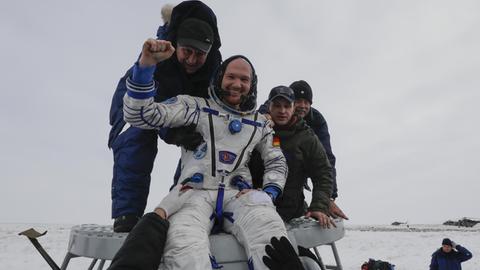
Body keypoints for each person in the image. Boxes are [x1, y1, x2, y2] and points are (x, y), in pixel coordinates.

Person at [122, 37, 289, 269]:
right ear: (220, 78)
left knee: (269, 231)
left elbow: (277, 161)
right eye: (231, 77)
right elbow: (140, 115)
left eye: (244, 79)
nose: (237, 84)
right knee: (184, 248)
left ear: (252, 84)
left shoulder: (261, 124)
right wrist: (146, 66)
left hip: (239, 195)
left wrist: (269, 193)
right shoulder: (195, 107)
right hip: (193, 194)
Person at [108, 0, 222, 232]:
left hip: (182, 108)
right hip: (138, 101)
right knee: (137, 137)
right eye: (186, 51)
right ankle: (127, 214)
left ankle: (180, 208)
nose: (192, 60)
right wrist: (173, 132)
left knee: (203, 144)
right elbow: (150, 110)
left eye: (199, 54)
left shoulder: (214, 68)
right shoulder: (159, 54)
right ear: (176, 44)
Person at [251, 86, 334, 228]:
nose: (282, 111)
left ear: (293, 107)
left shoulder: (307, 137)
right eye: (277, 106)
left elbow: (323, 172)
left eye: (287, 106)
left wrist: (319, 206)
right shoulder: (254, 130)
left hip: (292, 214)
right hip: (254, 212)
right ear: (268, 107)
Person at [289, 80, 348, 220]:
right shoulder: (276, 108)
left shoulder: (317, 120)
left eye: (307, 102)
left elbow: (327, 160)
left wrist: (329, 197)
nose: (303, 106)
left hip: (304, 164)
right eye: (298, 101)